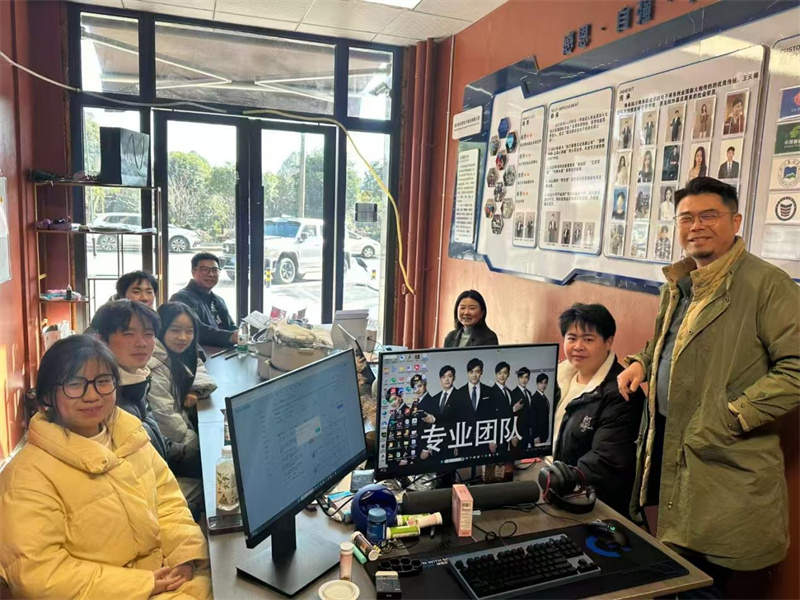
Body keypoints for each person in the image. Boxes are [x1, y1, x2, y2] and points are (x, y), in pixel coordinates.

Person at [617, 177, 800, 594]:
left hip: (722, 453)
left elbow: (796, 369)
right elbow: (671, 342)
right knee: (674, 568)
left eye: (709, 216)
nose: (696, 226)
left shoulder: (767, 285)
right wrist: (643, 363)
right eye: (686, 218)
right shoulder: (682, 283)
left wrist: (731, 416)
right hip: (668, 444)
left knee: (702, 580)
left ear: (736, 221)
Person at [0, 335, 211, 599]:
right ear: (46, 395)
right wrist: (142, 584)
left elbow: (169, 503)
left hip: (168, 574)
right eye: (75, 384)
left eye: (103, 382)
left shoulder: (130, 436)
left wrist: (185, 556)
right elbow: (39, 574)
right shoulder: (26, 476)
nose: (92, 396)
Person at [92, 301, 203, 497]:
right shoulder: (100, 399)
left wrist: (206, 458)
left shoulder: (138, 380)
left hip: (156, 475)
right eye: (128, 334)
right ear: (101, 339)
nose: (141, 343)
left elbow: (158, 445)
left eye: (148, 334)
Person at [552, 304, 644, 516]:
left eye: (588, 339)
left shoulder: (621, 394)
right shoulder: (557, 379)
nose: (578, 346)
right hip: (550, 484)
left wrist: (555, 481)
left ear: (608, 341)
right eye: (572, 338)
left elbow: (604, 462)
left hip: (587, 504)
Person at [149, 302, 217, 455]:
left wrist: (194, 390)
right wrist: (199, 443)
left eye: (189, 331)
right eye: (175, 330)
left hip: (181, 427)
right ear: (160, 329)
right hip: (168, 444)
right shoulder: (153, 364)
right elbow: (167, 422)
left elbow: (197, 366)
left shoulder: (180, 352)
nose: (183, 337)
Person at [170, 252, 236, 347]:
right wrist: (231, 337)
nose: (211, 274)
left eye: (215, 270)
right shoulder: (181, 299)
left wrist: (241, 335)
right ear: (193, 272)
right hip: (199, 353)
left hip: (223, 352)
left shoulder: (218, 300)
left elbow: (230, 326)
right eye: (205, 270)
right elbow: (197, 330)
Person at [510, 368, 533, 450]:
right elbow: (510, 415)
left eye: (526, 377)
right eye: (521, 377)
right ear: (518, 378)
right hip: (517, 432)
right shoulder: (513, 393)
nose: (524, 380)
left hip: (527, 431)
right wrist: (513, 435)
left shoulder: (529, 393)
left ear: (528, 378)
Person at [530, 373, 551, 444]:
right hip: (537, 437)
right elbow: (533, 419)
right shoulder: (534, 399)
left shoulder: (544, 398)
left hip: (544, 434)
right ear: (537, 384)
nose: (543, 385)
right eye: (541, 383)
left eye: (545, 383)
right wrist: (535, 436)